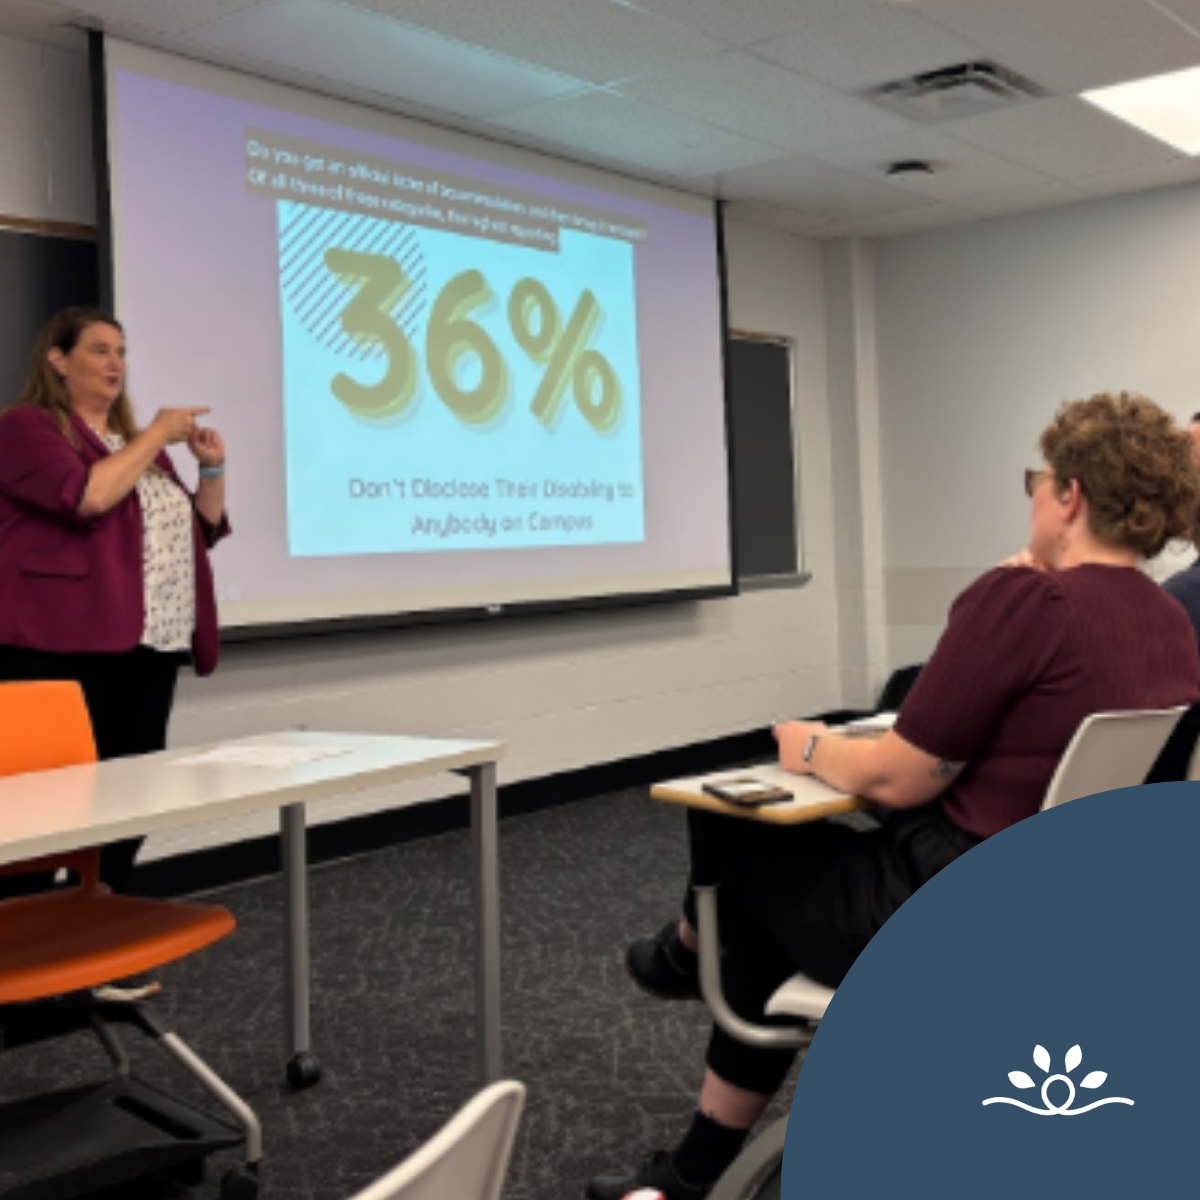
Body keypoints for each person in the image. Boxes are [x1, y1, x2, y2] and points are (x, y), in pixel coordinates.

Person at [588, 393, 1200, 1200]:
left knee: (743, 845)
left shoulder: (1025, 600)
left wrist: (804, 741)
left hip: (949, 904)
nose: (1034, 496)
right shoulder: (1169, 620)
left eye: (1038, 479)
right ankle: (685, 1160)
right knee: (773, 893)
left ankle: (684, 992)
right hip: (1064, 908)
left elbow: (895, 776)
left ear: (1071, 495)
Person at [0, 307, 229, 895]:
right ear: (58, 359)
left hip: (152, 640)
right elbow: (87, 497)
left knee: (132, 794)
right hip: (66, 640)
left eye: (122, 352)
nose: (116, 364)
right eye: (100, 350)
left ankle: (97, 923)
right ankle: (28, 955)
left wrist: (211, 470)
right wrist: (155, 433)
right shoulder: (28, 427)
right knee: (48, 804)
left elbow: (194, 533)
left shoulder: (132, 445)